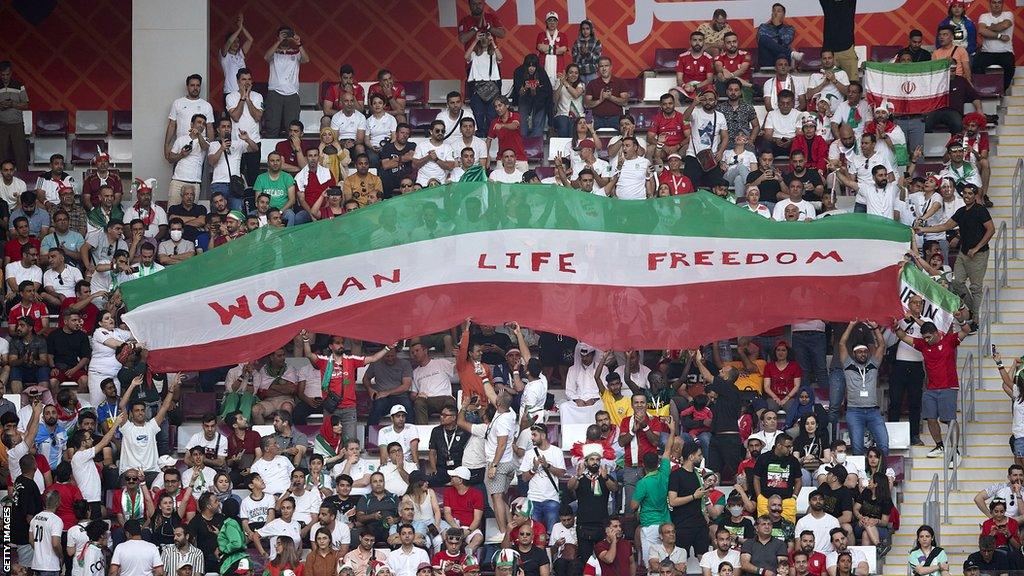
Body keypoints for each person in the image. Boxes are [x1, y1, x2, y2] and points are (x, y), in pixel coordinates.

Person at [894, 320, 972, 462]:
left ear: (936, 333)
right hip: (930, 388)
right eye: (924, 337)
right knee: (930, 419)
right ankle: (940, 446)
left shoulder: (949, 340)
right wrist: (896, 326)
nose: (926, 340)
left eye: (929, 337)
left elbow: (966, 330)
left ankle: (955, 451)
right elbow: (903, 337)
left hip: (949, 387)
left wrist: (961, 319)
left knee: (950, 420)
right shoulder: (923, 344)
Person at [837, 322, 889, 455]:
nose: (862, 354)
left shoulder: (873, 364)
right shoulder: (848, 365)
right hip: (855, 412)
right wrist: (850, 326)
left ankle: (881, 474)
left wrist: (875, 328)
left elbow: (882, 345)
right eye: (859, 352)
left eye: (865, 351)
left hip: (873, 411)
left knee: (883, 444)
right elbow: (842, 344)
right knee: (857, 448)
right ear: (853, 354)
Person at [264, 27, 309, 137]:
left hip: (292, 95)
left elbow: (306, 59)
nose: (284, 38)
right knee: (272, 126)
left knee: (293, 127)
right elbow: (266, 57)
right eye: (282, 35)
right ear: (277, 37)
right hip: (275, 93)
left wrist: (298, 43)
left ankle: (293, 152)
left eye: (287, 35)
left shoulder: (296, 53)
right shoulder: (274, 53)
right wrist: (278, 41)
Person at [974, 0, 1015, 91]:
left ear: (1002, 4)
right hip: (987, 52)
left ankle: (1001, 90)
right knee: (976, 66)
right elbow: (981, 31)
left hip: (1005, 52)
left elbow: (1004, 25)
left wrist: (988, 28)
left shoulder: (1008, 14)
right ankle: (984, 90)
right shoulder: (984, 16)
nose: (996, 5)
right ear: (990, 4)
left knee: (1010, 68)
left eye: (999, 2)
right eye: (994, 2)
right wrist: (999, 36)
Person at [585, 57, 630, 130]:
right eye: (601, 66)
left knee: (626, 132)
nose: (604, 69)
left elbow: (624, 102)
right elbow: (587, 104)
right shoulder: (592, 83)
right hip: (596, 118)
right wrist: (600, 100)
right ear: (598, 68)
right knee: (587, 129)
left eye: (606, 66)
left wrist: (610, 97)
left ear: (611, 67)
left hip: (616, 118)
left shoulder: (620, 82)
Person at [757, 4, 801, 72]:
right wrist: (774, 26)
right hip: (767, 58)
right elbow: (761, 41)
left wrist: (777, 25)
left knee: (782, 52)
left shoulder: (789, 28)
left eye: (778, 11)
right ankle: (791, 54)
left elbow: (786, 41)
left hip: (783, 58)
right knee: (763, 38)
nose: (775, 13)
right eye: (774, 11)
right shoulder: (763, 27)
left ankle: (790, 54)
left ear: (783, 15)